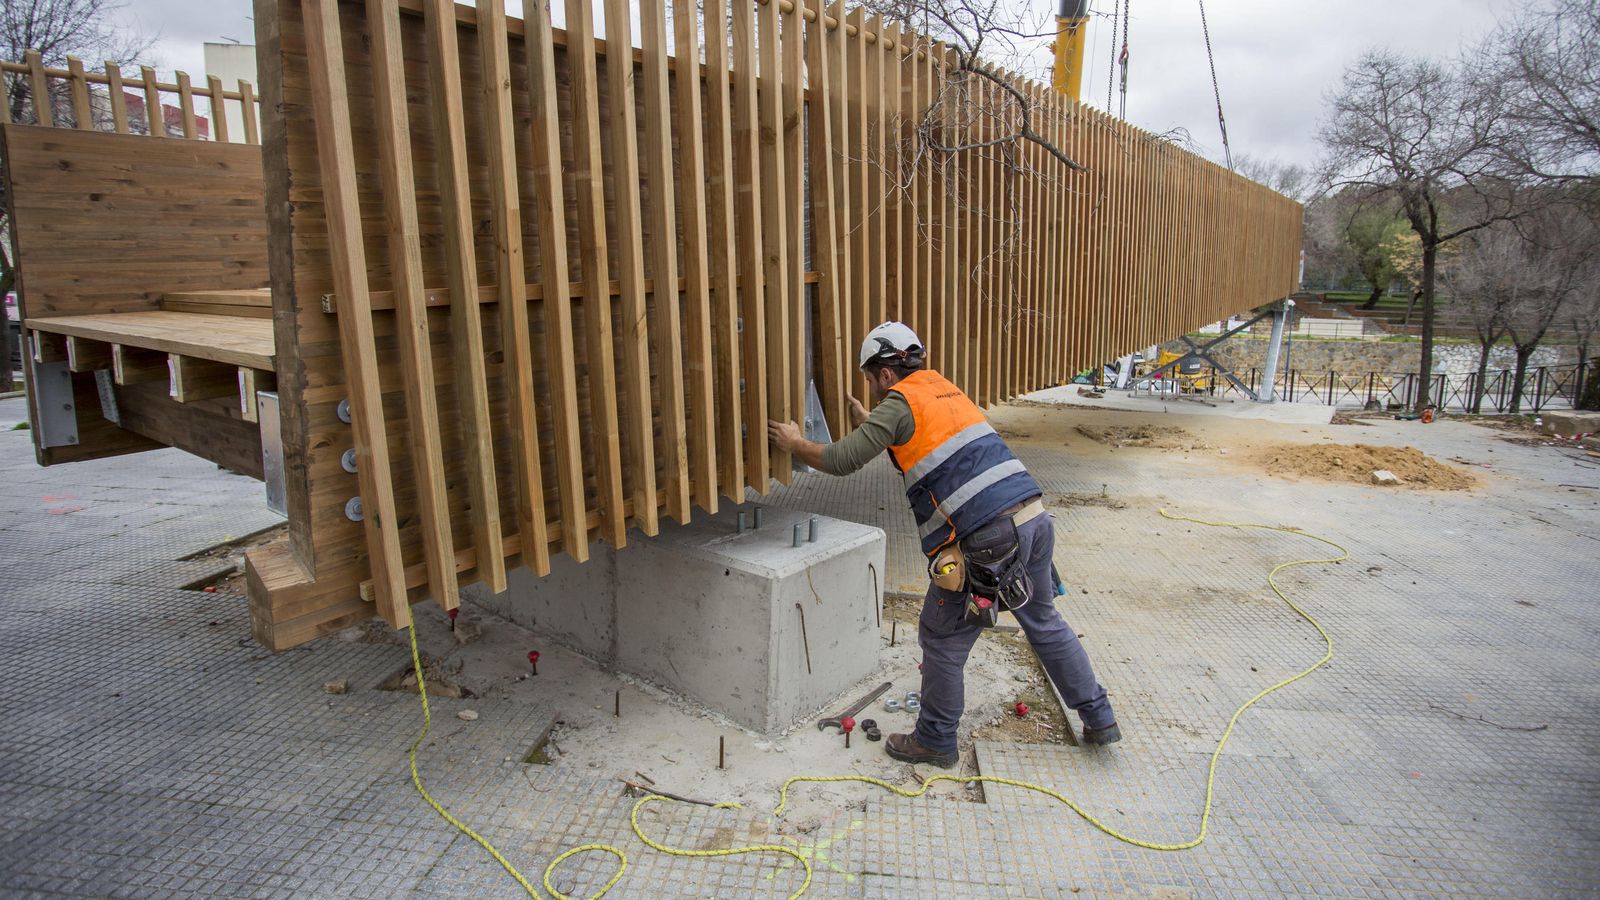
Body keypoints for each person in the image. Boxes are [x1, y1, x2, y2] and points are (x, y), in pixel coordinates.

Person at [767, 321, 1120, 768]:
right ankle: (1099, 717)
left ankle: (934, 740)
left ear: (886, 374)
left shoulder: (897, 403)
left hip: (988, 542)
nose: (874, 389)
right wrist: (872, 426)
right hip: (1032, 518)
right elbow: (927, 445)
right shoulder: (941, 387)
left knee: (942, 638)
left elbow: (841, 461)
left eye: (872, 380)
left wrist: (796, 443)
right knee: (1044, 621)